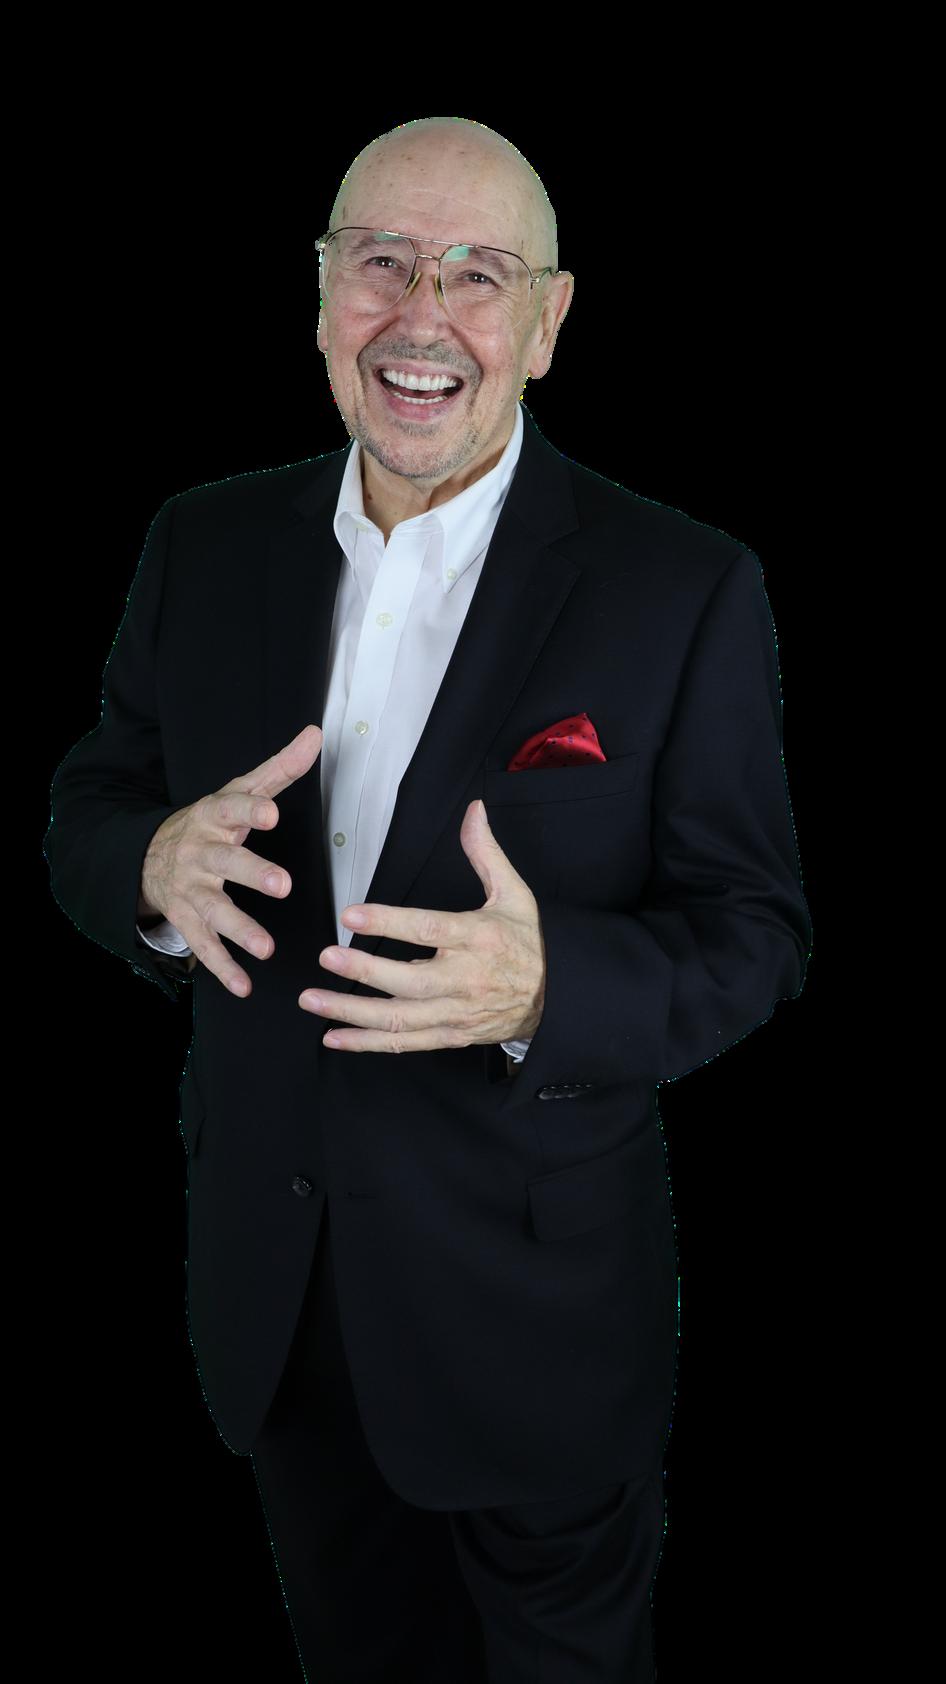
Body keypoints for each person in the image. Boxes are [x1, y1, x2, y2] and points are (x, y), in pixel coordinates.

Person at [44, 115, 811, 1682]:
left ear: (548, 320)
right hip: (274, 1299)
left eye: (476, 274)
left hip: (532, 1326)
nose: (420, 315)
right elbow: (94, 801)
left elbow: (754, 935)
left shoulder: (681, 585)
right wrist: (150, 870)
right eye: (380, 262)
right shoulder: (202, 541)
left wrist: (548, 990)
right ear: (323, 293)